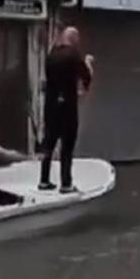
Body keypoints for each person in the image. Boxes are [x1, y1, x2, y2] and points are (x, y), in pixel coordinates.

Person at [39, 26, 94, 193]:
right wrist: (89, 63)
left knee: (48, 143)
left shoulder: (51, 55)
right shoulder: (73, 55)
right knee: (67, 146)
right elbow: (86, 76)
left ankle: (44, 180)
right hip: (67, 107)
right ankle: (66, 183)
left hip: (50, 106)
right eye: (77, 39)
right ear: (74, 38)